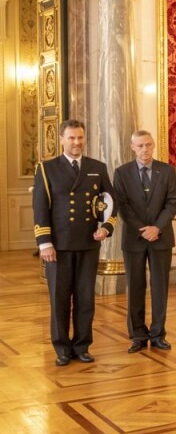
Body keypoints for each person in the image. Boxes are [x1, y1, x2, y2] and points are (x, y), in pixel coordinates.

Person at [32, 119, 117, 366]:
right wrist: (44, 242)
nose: (76, 142)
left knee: (85, 299)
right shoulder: (47, 168)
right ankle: (61, 348)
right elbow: (40, 208)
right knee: (59, 300)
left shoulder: (97, 167)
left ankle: (82, 345)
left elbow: (111, 202)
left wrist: (107, 228)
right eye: (71, 138)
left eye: (80, 138)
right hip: (58, 246)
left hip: (88, 243)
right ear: (61, 140)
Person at [112, 131, 176, 353]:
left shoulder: (168, 171)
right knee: (136, 286)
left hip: (161, 237)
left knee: (160, 287)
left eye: (148, 145)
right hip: (134, 238)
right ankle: (138, 335)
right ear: (132, 147)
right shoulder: (122, 173)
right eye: (140, 145)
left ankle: (158, 333)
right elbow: (122, 206)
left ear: (153, 146)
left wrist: (156, 227)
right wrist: (143, 230)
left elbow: (172, 202)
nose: (145, 149)